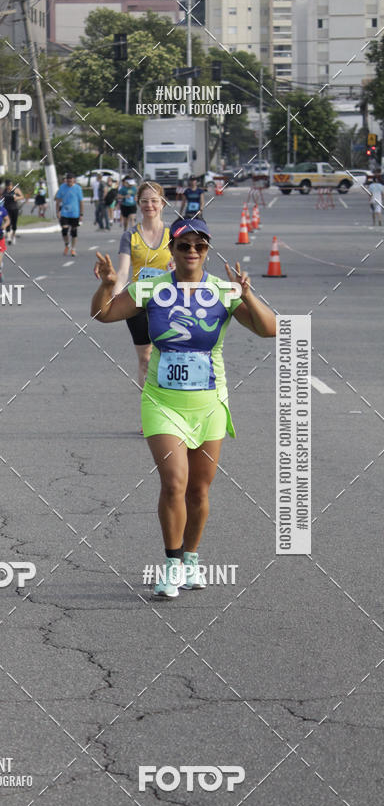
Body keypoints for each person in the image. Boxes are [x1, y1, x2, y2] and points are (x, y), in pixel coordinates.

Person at [91, 218, 276, 599]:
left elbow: (269, 329)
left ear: (207, 251)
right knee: (174, 482)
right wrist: (108, 286)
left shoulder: (224, 291)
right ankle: (172, 564)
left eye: (200, 246)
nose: (192, 251)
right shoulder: (152, 286)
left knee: (199, 491)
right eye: (184, 245)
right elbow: (103, 315)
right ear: (171, 251)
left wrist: (247, 295)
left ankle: (191, 557)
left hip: (209, 403)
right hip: (162, 401)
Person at [94, 181, 172, 395]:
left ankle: (170, 410)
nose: (150, 205)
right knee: (145, 358)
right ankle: (149, 414)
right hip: (139, 303)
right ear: (138, 203)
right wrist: (115, 294)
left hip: (169, 303)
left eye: (154, 201)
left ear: (163, 203)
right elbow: (123, 271)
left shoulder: (174, 234)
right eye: (145, 201)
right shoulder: (130, 236)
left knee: (168, 357)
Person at [55, 172, 84, 256]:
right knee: (64, 230)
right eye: (68, 181)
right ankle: (67, 244)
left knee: (74, 232)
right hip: (64, 213)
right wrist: (57, 211)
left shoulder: (78, 188)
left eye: (71, 180)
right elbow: (58, 200)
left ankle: (73, 249)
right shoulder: (62, 187)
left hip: (75, 213)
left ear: (73, 180)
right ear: (66, 180)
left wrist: (81, 214)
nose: (69, 182)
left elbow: (81, 201)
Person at [1, 180, 24, 244]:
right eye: (8, 186)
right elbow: (1, 196)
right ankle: (8, 237)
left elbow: (22, 196)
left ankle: (13, 236)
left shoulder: (16, 190)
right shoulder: (4, 190)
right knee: (7, 222)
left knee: (14, 224)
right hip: (6, 208)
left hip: (14, 208)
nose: (9, 187)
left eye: (10, 185)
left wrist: (17, 197)